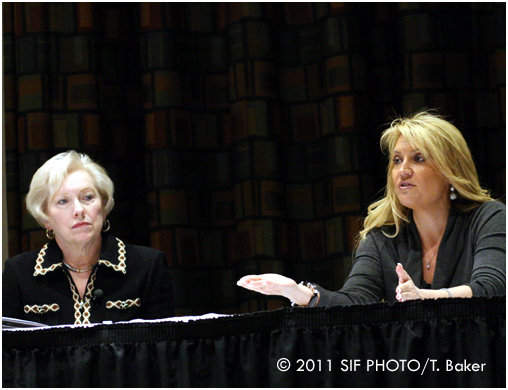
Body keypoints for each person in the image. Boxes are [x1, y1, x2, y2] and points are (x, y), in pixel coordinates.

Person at [237, 111, 506, 307]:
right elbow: (355, 301)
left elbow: (492, 288)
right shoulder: (383, 238)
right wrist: (299, 293)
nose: (403, 171)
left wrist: (425, 297)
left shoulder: (488, 218)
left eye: (419, 158)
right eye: (397, 160)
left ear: (451, 170)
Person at [3, 151, 175, 325]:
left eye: (88, 197)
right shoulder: (18, 274)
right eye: (63, 201)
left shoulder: (148, 266)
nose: (78, 210)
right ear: (46, 218)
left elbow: (162, 348)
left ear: (103, 207)